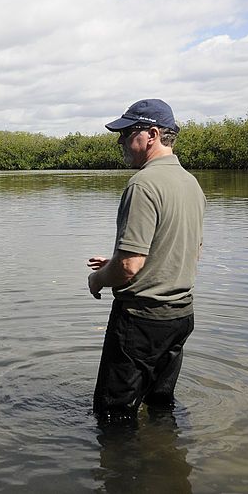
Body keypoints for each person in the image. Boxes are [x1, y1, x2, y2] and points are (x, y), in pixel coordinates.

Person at [87, 98, 205, 423]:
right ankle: (168, 466)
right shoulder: (190, 183)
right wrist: (119, 259)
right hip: (181, 317)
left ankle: (123, 473)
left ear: (151, 134)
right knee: (160, 407)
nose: (120, 141)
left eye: (126, 133)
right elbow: (188, 251)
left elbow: (129, 267)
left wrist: (97, 280)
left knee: (113, 416)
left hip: (141, 321)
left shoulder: (143, 184)